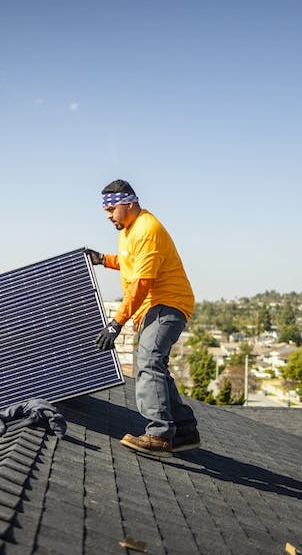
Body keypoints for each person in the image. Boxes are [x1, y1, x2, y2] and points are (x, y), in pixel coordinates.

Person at [86, 179, 199, 457]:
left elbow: (142, 283)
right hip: (150, 308)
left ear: (129, 204)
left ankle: (159, 435)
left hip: (166, 304)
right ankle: (185, 430)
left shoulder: (147, 229)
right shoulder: (128, 231)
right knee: (155, 365)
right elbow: (129, 261)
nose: (108, 216)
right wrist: (103, 259)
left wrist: (116, 323)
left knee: (148, 361)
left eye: (111, 209)